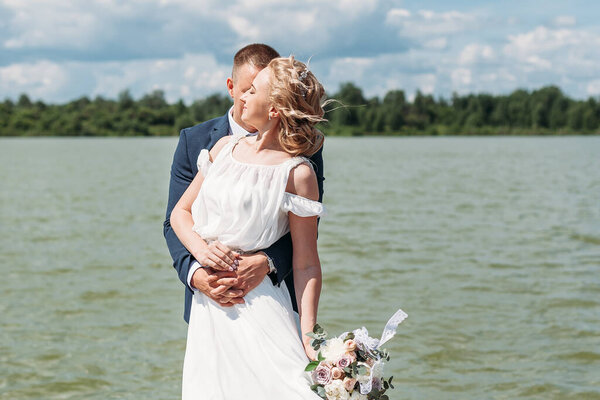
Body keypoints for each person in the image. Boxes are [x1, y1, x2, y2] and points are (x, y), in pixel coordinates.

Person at [170, 56, 326, 398]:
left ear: (274, 110)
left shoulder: (297, 173)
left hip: (261, 308)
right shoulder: (223, 149)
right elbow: (180, 214)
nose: (240, 97)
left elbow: (306, 261)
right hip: (208, 311)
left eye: (251, 91)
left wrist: (309, 335)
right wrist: (201, 251)